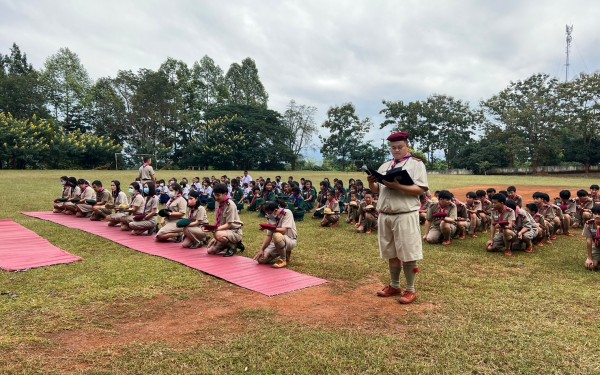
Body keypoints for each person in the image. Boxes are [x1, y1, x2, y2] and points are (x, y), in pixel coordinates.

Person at [369, 132, 428, 305]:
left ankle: (410, 289)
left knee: (408, 252)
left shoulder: (416, 164)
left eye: (400, 147)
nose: (396, 150)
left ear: (407, 146)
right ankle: (394, 285)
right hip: (386, 215)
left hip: (405, 214)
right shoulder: (385, 165)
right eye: (393, 147)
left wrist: (398, 186)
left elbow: (421, 189)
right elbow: (377, 190)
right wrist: (371, 181)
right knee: (391, 252)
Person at [254, 200, 298, 268]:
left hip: (290, 240)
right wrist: (261, 249)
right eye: (267, 213)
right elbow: (269, 236)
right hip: (276, 242)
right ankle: (282, 251)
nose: (269, 215)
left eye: (270, 213)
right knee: (261, 259)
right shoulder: (271, 218)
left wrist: (270, 228)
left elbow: (283, 231)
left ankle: (283, 260)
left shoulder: (287, 213)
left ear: (276, 210)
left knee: (276, 235)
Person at [206, 183, 245, 257]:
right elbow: (217, 220)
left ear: (225, 194)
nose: (216, 197)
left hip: (234, 231)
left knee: (217, 234)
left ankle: (233, 245)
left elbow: (229, 224)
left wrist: (215, 231)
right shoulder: (217, 202)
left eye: (218, 195)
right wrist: (215, 237)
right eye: (215, 195)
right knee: (210, 251)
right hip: (224, 231)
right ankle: (231, 244)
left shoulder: (230, 205)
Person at [582, 204, 600, 271]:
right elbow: (589, 241)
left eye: (599, 214)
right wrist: (590, 258)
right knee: (591, 266)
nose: (597, 216)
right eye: (595, 213)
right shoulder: (589, 224)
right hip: (597, 247)